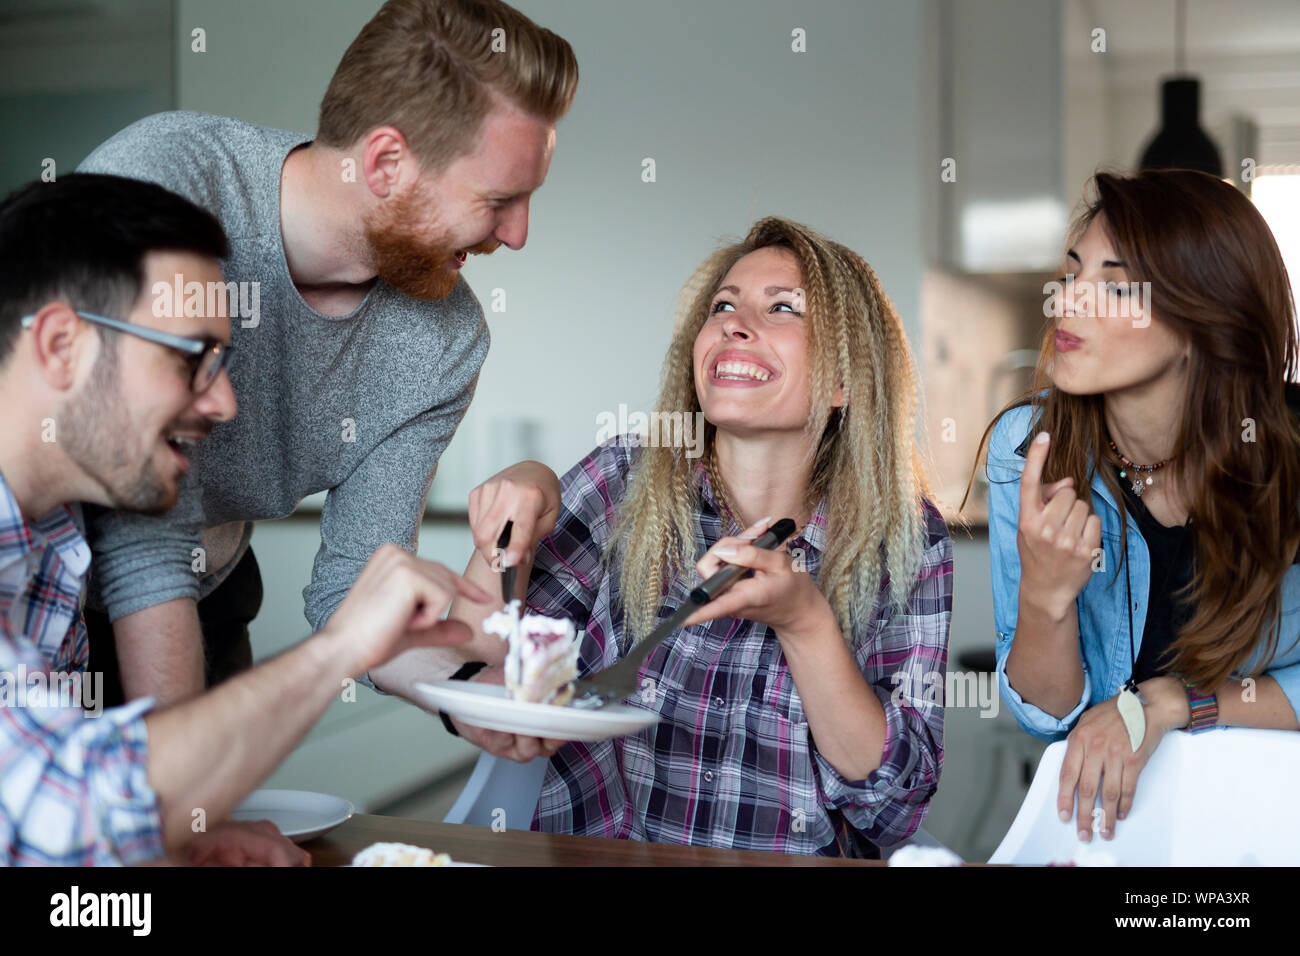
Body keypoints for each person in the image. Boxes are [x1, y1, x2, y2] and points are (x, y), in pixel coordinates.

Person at [375, 217, 953, 857]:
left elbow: (891, 807)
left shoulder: (907, 538)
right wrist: (522, 491)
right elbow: (483, 656)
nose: (734, 322)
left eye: (783, 308)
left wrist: (804, 622)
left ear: (846, 380)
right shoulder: (624, 479)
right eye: (723, 305)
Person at [74, 0, 578, 708]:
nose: (519, 234)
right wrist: (183, 776)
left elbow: (354, 587)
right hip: (42, 600)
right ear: (385, 162)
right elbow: (134, 520)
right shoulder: (168, 184)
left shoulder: (444, 337)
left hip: (205, 602)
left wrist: (474, 701)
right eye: (500, 199)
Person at [0, 173, 487, 865]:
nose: (225, 403)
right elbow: (66, 814)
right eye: (193, 357)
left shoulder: (51, 539)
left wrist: (176, 841)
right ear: (59, 345)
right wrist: (338, 650)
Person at [965, 169, 1300, 845]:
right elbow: (1049, 717)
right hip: (1116, 823)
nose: (1067, 300)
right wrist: (1045, 597)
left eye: (1116, 286)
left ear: (1204, 317)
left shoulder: (1286, 462)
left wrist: (1177, 703)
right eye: (1072, 272)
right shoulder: (1026, 449)